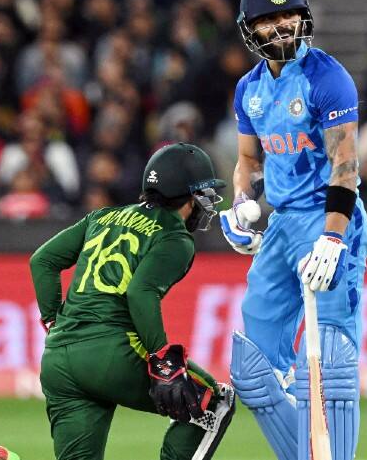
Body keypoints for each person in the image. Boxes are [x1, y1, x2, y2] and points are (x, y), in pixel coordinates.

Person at [220, 0, 367, 460]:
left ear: (303, 17)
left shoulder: (328, 78)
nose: (282, 27)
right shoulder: (249, 89)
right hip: (283, 225)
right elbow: (249, 162)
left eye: (288, 15)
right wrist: (243, 206)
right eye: (269, 20)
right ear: (252, 30)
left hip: (330, 219)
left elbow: (346, 168)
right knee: (254, 369)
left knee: (330, 362)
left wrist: (333, 239)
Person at [29, 143, 235, 460]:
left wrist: (53, 322)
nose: (206, 203)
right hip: (112, 353)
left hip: (59, 358)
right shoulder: (175, 237)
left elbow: (42, 261)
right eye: (203, 193)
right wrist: (162, 358)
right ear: (187, 195)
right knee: (213, 402)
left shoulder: (102, 216)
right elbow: (140, 292)